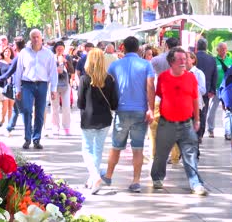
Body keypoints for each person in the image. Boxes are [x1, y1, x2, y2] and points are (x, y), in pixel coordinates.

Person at [101, 36, 155, 193]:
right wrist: (150, 109)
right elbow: (150, 87)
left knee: (116, 147)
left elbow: (107, 84)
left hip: (122, 111)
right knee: (138, 148)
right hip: (140, 111)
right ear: (138, 49)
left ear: (123, 47)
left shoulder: (115, 65)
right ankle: (136, 181)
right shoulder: (146, 65)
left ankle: (109, 176)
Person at [150, 47, 206, 195]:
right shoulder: (162, 77)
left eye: (185, 58)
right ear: (171, 62)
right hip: (166, 124)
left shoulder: (191, 77)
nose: (184, 62)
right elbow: (160, 96)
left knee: (190, 155)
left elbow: (195, 98)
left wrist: (197, 119)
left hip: (187, 124)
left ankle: (195, 184)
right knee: (161, 155)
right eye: (180, 59)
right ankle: (157, 178)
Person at [78, 48, 118, 194]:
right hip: (105, 119)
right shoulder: (109, 79)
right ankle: (92, 180)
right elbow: (114, 103)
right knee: (98, 150)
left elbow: (80, 103)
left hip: (88, 118)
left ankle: (95, 177)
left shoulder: (84, 79)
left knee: (86, 150)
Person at [14, 29, 58, 149]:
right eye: (33, 37)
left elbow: (53, 72)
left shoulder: (48, 53)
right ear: (30, 39)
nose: (36, 39)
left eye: (38, 37)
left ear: (41, 38)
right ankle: (27, 138)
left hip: (42, 84)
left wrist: (53, 89)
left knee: (40, 112)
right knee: (27, 110)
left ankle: (36, 138)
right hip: (27, 84)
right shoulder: (24, 52)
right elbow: (18, 71)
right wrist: (18, 89)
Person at [150, 37, 182, 166]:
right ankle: (175, 157)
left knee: (154, 128)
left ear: (166, 45)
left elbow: (150, 80)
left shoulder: (156, 60)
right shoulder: (181, 60)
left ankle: (155, 154)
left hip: (160, 96)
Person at [207, 42, 232, 139]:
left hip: (227, 89)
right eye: (222, 49)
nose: (224, 51)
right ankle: (210, 130)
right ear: (217, 50)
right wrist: (211, 88)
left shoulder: (230, 60)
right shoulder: (214, 61)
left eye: (225, 49)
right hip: (216, 88)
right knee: (212, 110)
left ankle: (227, 132)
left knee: (227, 111)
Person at [195, 38, 218, 143]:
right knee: (203, 112)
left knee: (193, 112)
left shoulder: (192, 57)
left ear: (197, 46)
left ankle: (194, 133)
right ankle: (200, 134)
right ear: (206, 47)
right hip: (206, 91)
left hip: (194, 90)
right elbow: (215, 76)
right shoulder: (211, 59)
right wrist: (212, 89)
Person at [52, 41, 74, 135]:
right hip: (54, 85)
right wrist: (58, 63)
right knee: (54, 107)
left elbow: (72, 70)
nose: (60, 50)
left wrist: (65, 62)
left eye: (62, 48)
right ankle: (55, 126)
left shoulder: (67, 57)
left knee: (66, 106)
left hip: (65, 84)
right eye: (58, 48)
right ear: (55, 49)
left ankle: (66, 127)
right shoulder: (51, 57)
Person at [0, 47, 15, 128]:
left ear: (11, 53)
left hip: (12, 86)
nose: (7, 52)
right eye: (5, 51)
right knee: (5, 105)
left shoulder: (13, 62)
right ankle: (2, 119)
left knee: (11, 106)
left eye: (9, 51)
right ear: (3, 53)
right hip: (3, 86)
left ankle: (9, 124)